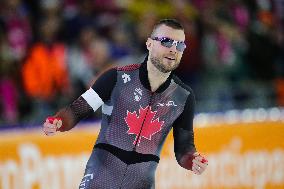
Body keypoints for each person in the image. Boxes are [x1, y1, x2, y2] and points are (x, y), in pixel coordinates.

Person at [43, 19, 208, 189]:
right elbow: (78, 109)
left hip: (142, 183)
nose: (173, 49)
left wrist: (191, 160)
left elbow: (183, 148)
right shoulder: (116, 78)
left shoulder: (183, 96)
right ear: (149, 44)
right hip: (101, 177)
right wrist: (59, 121)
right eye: (166, 41)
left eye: (180, 45)